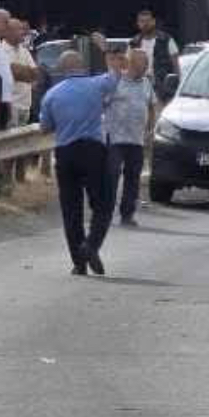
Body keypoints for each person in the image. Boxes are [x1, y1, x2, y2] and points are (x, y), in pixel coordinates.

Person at [40, 38, 121, 276]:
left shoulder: (52, 95)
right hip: (93, 150)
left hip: (65, 153)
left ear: (62, 70)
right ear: (83, 67)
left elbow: (45, 128)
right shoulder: (96, 85)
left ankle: (79, 262)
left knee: (71, 209)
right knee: (103, 203)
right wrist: (106, 50)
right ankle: (91, 245)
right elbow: (116, 74)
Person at [103, 49, 155, 227]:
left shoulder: (147, 83)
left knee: (133, 178)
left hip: (136, 139)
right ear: (131, 62)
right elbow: (102, 102)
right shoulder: (116, 81)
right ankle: (105, 212)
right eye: (143, 62)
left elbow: (151, 105)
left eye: (147, 62)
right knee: (112, 175)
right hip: (115, 137)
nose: (146, 65)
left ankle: (127, 214)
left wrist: (150, 129)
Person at [129, 9, 181, 103]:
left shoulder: (166, 40)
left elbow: (176, 67)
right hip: (139, 87)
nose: (145, 24)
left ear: (153, 22)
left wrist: (175, 87)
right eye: (142, 21)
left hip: (161, 89)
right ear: (138, 24)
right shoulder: (134, 42)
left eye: (148, 21)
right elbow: (128, 65)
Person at [4, 18, 38, 127]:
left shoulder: (25, 50)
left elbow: (35, 74)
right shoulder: (0, 51)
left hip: (26, 104)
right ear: (8, 32)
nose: (23, 32)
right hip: (11, 106)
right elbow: (12, 76)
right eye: (19, 29)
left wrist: (20, 72)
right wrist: (24, 73)